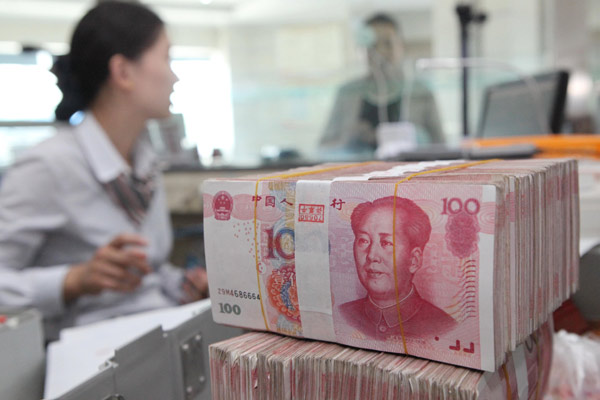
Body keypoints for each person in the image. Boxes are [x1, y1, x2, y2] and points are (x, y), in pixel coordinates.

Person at [0, 1, 208, 341]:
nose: (174, 75)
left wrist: (183, 284)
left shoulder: (143, 163)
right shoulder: (48, 166)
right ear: (123, 72)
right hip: (92, 364)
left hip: (157, 337)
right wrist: (74, 280)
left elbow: (147, 274)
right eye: (166, 57)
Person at [321, 13, 444, 152]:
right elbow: (324, 146)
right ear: (364, 48)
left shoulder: (420, 92)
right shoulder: (347, 93)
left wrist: (419, 139)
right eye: (373, 45)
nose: (380, 52)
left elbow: (441, 145)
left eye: (388, 43)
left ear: (401, 45)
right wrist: (348, 139)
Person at [338, 196, 456, 340]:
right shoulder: (343, 315)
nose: (371, 255)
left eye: (386, 243)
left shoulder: (443, 327)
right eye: (364, 240)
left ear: (414, 260)